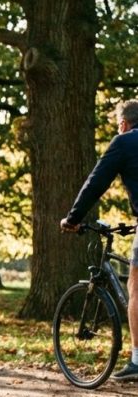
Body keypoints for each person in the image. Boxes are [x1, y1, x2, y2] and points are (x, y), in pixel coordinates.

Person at [61, 99, 138, 381]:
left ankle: (137, 361)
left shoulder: (123, 142)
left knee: (136, 287)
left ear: (123, 124)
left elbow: (96, 182)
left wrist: (73, 218)